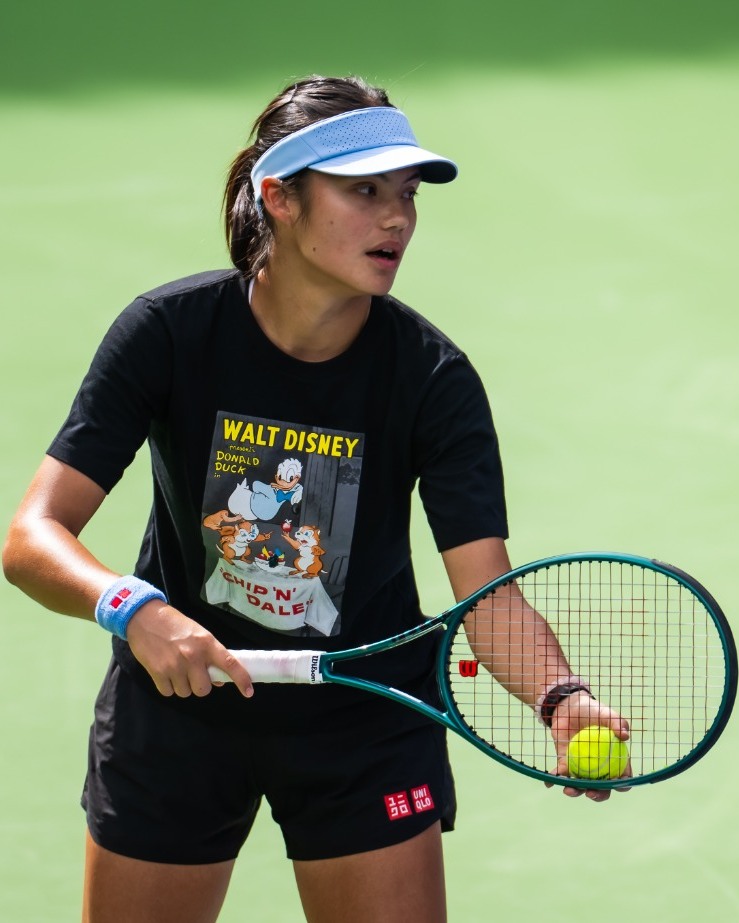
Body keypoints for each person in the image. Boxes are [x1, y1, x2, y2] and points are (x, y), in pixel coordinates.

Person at [3, 75, 629, 923]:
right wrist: (134, 609)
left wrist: (561, 698)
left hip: (363, 719)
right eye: (364, 191)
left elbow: (488, 595)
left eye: (406, 193)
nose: (396, 218)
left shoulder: (432, 379)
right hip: (180, 708)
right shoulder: (168, 333)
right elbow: (33, 537)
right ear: (280, 197)